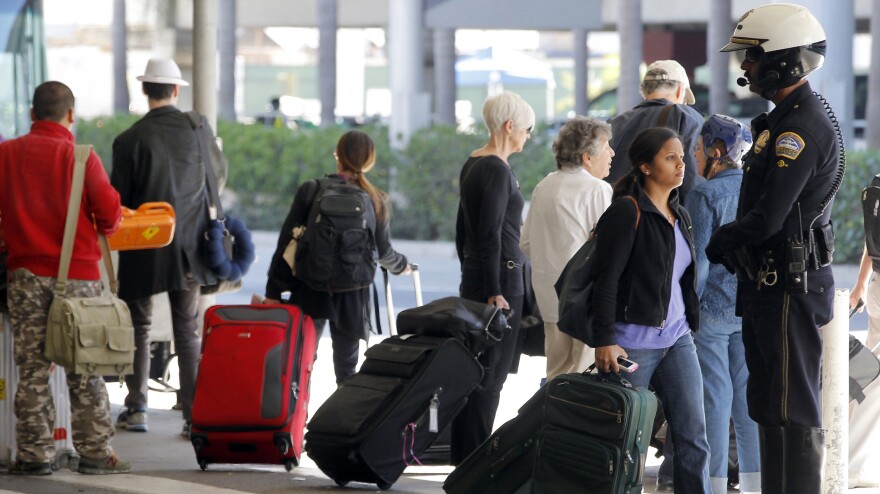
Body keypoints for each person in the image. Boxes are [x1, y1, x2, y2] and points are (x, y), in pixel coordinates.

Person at [705, 4, 840, 492]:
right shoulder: (782, 121)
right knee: (767, 404)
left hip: (789, 286)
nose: (745, 68)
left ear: (785, 59)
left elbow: (768, 219)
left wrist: (722, 239)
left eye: (753, 57)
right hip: (771, 285)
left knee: (791, 408)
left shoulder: (799, 127)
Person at [0, 81, 130, 475]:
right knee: (85, 367)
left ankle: (35, 455)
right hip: (79, 281)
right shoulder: (81, 157)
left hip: (24, 277)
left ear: (31, 114)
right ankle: (94, 453)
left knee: (33, 371)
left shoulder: (5, 154)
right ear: (70, 115)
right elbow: (109, 218)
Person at [111, 58, 228, 438]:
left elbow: (119, 201)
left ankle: (137, 407)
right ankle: (193, 416)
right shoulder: (198, 129)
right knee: (188, 329)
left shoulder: (128, 140)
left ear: (145, 91)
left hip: (145, 243)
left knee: (139, 326)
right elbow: (218, 176)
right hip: (192, 244)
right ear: (176, 90)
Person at [592, 127, 711, 493]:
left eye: (682, 156)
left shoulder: (680, 214)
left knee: (693, 438)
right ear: (645, 166)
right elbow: (605, 280)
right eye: (669, 157)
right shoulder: (627, 212)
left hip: (677, 338)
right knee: (625, 443)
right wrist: (604, 341)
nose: (681, 165)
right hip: (632, 345)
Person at [264, 129, 411, 384]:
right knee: (346, 370)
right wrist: (403, 266)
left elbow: (287, 242)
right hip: (353, 293)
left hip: (310, 288)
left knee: (302, 362)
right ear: (369, 161)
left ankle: (296, 421)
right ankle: (341, 423)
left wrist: (273, 292)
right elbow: (383, 251)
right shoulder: (376, 199)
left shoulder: (311, 190)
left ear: (338, 155)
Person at [451, 91, 532, 464]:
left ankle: (464, 457)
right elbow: (489, 234)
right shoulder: (497, 168)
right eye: (527, 129)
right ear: (510, 126)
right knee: (491, 376)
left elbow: (463, 233)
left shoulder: (474, 162)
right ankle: (474, 462)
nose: (528, 136)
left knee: (475, 372)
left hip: (478, 280)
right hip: (499, 285)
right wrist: (494, 291)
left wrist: (472, 278)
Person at [683, 115, 759, 494]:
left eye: (697, 149)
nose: (693, 157)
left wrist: (686, 313)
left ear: (716, 152)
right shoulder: (755, 187)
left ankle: (712, 485)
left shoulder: (702, 194)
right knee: (747, 401)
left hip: (711, 313)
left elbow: (698, 262)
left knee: (715, 398)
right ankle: (754, 483)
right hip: (746, 309)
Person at [520, 115, 612, 381]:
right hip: (586, 300)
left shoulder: (543, 186)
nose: (612, 153)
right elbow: (608, 249)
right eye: (606, 147)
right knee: (587, 378)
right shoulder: (598, 190)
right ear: (587, 156)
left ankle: (549, 422)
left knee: (556, 376)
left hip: (550, 299)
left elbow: (525, 244)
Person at [607, 60, 704, 200]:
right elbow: (692, 175)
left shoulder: (615, 122)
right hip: (665, 215)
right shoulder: (685, 116)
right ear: (680, 90)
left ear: (644, 90)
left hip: (621, 212)